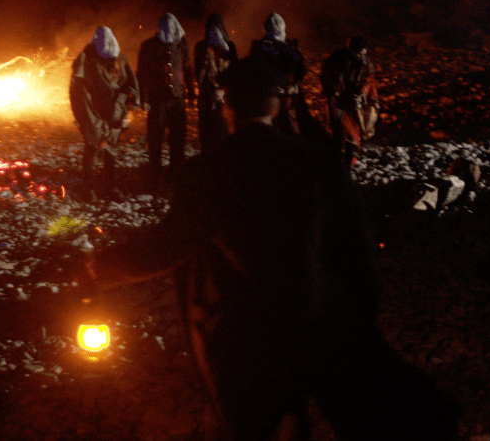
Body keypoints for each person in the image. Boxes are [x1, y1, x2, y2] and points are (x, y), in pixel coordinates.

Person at [84, 58, 458, 441]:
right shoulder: (321, 163)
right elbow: (360, 253)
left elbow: (168, 246)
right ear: (276, 106)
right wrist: (354, 321)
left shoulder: (206, 171)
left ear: (227, 107)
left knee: (262, 429)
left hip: (246, 339)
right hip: (317, 324)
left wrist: (102, 266)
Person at [69, 26, 139, 200]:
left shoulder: (120, 60)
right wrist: (82, 116)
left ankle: (109, 187)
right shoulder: (86, 60)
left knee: (110, 149)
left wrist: (128, 110)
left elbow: (130, 84)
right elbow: (77, 90)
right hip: (92, 111)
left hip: (114, 110)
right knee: (92, 147)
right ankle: (88, 188)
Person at [137, 13, 195, 178]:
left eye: (171, 26)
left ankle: (177, 171)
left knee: (178, 137)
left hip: (177, 99)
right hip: (157, 99)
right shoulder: (148, 45)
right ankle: (155, 172)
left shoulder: (182, 45)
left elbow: (188, 70)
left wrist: (191, 94)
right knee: (155, 138)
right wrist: (144, 98)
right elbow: (142, 74)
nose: (168, 30)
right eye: (165, 26)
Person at [247, 12, 311, 138]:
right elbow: (254, 69)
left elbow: (300, 68)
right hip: (269, 97)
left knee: (292, 129)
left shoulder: (291, 45)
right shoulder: (259, 46)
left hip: (289, 96)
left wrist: (294, 85)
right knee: (270, 132)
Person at [321, 36, 379, 165]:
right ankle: (336, 158)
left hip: (354, 101)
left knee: (353, 129)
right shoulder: (338, 59)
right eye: (358, 53)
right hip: (338, 100)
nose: (361, 56)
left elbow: (369, 79)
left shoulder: (365, 62)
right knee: (338, 128)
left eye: (363, 53)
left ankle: (349, 157)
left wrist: (361, 94)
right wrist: (335, 92)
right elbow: (329, 76)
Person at [193, 13, 239, 154]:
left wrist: (224, 90)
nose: (213, 32)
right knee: (207, 129)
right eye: (211, 29)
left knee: (225, 129)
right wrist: (209, 91)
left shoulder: (230, 47)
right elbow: (199, 73)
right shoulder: (201, 46)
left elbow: (235, 72)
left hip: (225, 97)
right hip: (207, 97)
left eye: (216, 29)